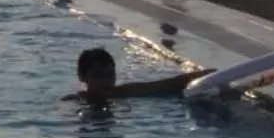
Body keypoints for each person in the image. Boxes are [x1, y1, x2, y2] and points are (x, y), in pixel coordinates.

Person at [66, 46, 212, 101]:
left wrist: (206, 74)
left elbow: (168, 84)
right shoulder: (74, 101)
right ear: (82, 76)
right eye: (98, 76)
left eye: (110, 75)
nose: (106, 81)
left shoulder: (125, 92)